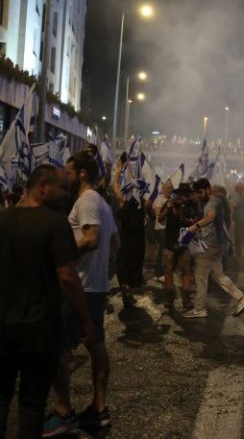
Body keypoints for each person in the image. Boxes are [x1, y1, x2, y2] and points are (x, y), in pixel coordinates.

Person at [0, 165, 95, 439]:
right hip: (38, 329)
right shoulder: (55, 223)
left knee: (1, 395)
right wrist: (86, 319)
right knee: (31, 404)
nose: (67, 194)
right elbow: (66, 275)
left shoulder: (3, 219)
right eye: (62, 188)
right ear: (43, 188)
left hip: (3, 326)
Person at [45, 152, 121, 436]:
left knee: (57, 350)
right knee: (95, 344)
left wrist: (57, 254)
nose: (65, 175)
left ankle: (63, 412)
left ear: (82, 174)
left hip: (81, 287)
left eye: (68, 170)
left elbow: (92, 239)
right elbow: (115, 243)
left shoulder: (87, 200)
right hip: (96, 286)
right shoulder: (101, 202)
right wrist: (102, 269)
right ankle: (98, 410)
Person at [183, 178, 244, 319]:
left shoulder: (213, 202)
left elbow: (211, 216)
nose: (198, 195)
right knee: (218, 276)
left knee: (200, 275)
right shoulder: (211, 201)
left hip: (210, 246)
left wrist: (195, 227)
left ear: (208, 189)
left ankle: (200, 308)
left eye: (200, 192)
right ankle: (241, 298)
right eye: (196, 193)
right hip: (216, 245)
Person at [111, 156, 148, 307]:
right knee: (134, 265)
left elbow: (115, 185)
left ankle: (126, 293)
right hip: (138, 241)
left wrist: (120, 168)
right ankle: (130, 294)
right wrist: (129, 169)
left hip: (125, 240)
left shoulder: (123, 202)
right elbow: (133, 181)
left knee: (124, 265)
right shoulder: (144, 203)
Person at [157, 184, 196, 310]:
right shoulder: (171, 203)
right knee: (168, 272)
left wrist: (181, 216)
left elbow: (195, 223)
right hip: (170, 242)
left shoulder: (192, 205)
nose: (184, 197)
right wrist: (168, 209)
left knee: (186, 272)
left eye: (186, 194)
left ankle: (186, 300)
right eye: (182, 194)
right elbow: (159, 218)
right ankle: (170, 299)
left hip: (184, 243)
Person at [151, 180, 173, 278]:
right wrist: (167, 208)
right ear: (163, 189)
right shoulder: (159, 200)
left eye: (171, 188)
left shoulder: (171, 199)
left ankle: (164, 272)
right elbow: (159, 217)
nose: (170, 190)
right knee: (161, 251)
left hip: (167, 229)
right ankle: (158, 273)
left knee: (166, 252)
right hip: (161, 229)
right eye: (168, 188)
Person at [231, 182, 244, 262]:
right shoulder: (241, 196)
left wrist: (233, 204)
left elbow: (236, 205)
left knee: (242, 237)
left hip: (242, 220)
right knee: (239, 238)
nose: (235, 189)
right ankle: (239, 254)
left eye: (237, 188)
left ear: (241, 188)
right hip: (240, 219)